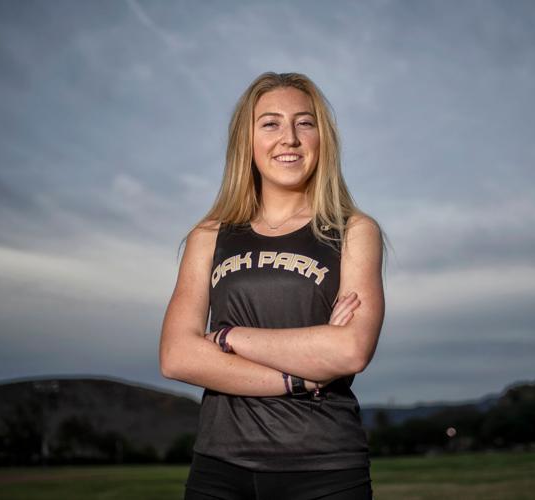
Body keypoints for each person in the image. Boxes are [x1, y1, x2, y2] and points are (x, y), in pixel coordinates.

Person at [160, 71, 385, 500]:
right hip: (219, 467)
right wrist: (302, 377)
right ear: (247, 140)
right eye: (271, 123)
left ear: (322, 139)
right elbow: (176, 356)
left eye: (305, 122)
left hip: (325, 468)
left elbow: (350, 350)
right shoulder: (208, 236)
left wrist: (228, 337)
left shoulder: (353, 231)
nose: (290, 138)